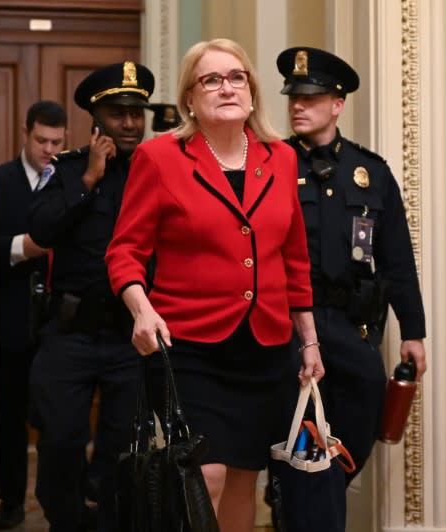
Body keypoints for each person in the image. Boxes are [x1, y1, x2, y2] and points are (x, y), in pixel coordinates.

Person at [104, 38, 324, 532]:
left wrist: (308, 339)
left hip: (265, 345)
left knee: (245, 477)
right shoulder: (160, 158)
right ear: (189, 98)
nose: (226, 87)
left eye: (236, 77)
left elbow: (294, 257)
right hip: (189, 345)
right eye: (211, 79)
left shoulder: (281, 158)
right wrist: (141, 308)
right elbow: (124, 251)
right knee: (205, 473)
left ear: (251, 91)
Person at [272, 45, 428, 526]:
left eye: (311, 97)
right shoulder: (270, 164)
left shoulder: (371, 173)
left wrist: (413, 331)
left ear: (337, 104)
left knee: (350, 444)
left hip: (354, 332)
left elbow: (397, 259)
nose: (298, 105)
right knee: (300, 453)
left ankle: (299, 509)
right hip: (293, 332)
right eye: (294, 97)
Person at [27, 61, 155, 532]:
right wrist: (88, 182)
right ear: (95, 118)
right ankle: (67, 520)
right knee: (60, 442)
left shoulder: (156, 169)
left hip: (129, 338)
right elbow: (40, 230)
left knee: (123, 452)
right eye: (118, 112)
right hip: (70, 336)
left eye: (136, 113)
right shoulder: (66, 170)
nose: (128, 123)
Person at [0, 100, 66, 530]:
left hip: (58, 323)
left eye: (56, 142)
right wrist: (24, 247)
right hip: (9, 318)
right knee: (7, 417)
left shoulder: (70, 178)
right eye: (41, 140)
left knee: (57, 419)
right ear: (26, 133)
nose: (48, 149)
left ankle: (61, 502)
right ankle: (11, 498)